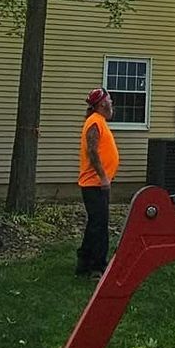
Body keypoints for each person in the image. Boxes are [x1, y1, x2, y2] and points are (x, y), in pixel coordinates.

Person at [76, 86, 119, 278]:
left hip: (97, 183)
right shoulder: (94, 123)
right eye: (109, 101)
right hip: (94, 184)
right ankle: (97, 266)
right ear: (102, 104)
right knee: (99, 226)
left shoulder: (98, 121)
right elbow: (92, 152)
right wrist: (103, 177)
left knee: (96, 224)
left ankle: (84, 263)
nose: (112, 104)